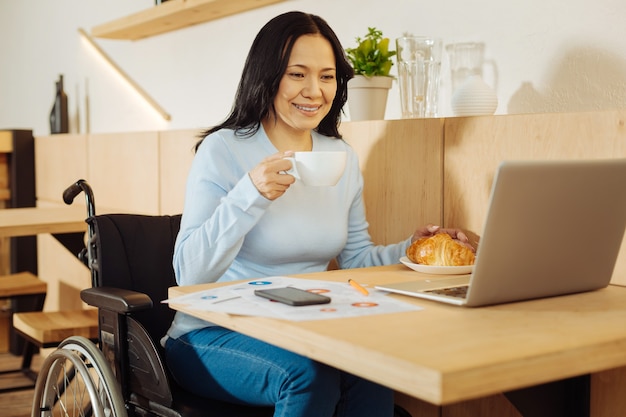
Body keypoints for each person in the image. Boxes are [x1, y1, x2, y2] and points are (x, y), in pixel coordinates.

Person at [162, 10, 472, 417]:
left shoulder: (340, 156)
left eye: (327, 77)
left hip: (302, 326)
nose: (314, 91)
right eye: (297, 74)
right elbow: (189, 274)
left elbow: (357, 260)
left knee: (372, 366)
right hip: (213, 332)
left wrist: (417, 250)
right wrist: (249, 195)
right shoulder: (224, 150)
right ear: (267, 76)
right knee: (308, 375)